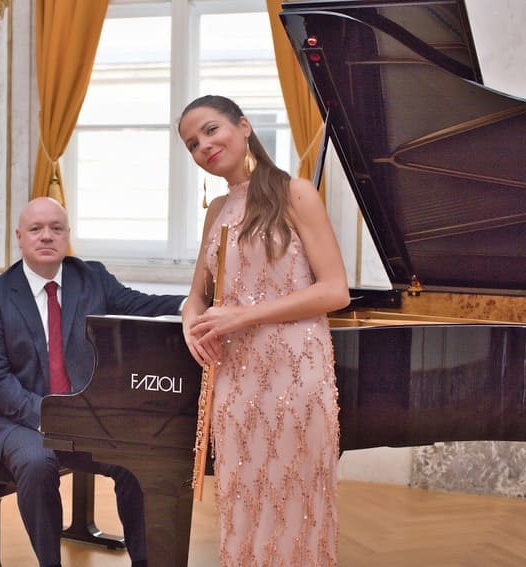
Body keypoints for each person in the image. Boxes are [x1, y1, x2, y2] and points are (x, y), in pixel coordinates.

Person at [177, 95, 350, 566]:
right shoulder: (216, 210)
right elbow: (196, 295)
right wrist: (192, 320)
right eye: (193, 143)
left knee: (297, 502)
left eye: (211, 130)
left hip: (296, 374)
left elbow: (336, 290)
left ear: (245, 125)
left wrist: (241, 316)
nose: (204, 146)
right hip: (235, 378)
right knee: (242, 503)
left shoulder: (295, 193)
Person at [0, 196, 186, 567]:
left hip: (84, 416)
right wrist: (52, 415)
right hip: (21, 419)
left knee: (136, 462)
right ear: (20, 237)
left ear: (68, 235)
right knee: (37, 463)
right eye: (36, 229)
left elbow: (138, 304)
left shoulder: (92, 277)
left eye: (56, 228)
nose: (46, 236)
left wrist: (191, 305)